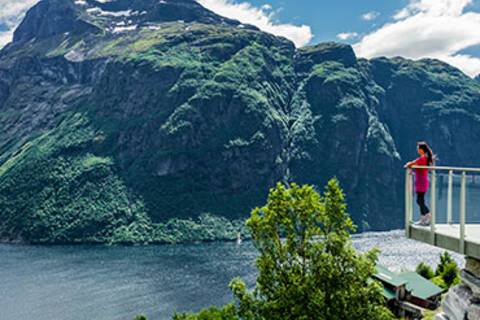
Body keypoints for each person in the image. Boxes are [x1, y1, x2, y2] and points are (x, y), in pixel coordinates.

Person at [404, 142, 435, 226]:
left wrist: (408, 165)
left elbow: (410, 164)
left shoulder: (422, 159)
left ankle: (428, 215)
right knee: (420, 200)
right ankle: (423, 219)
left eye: (418, 148)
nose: (417, 150)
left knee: (419, 200)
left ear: (421, 150)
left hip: (421, 182)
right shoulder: (425, 158)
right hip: (421, 182)